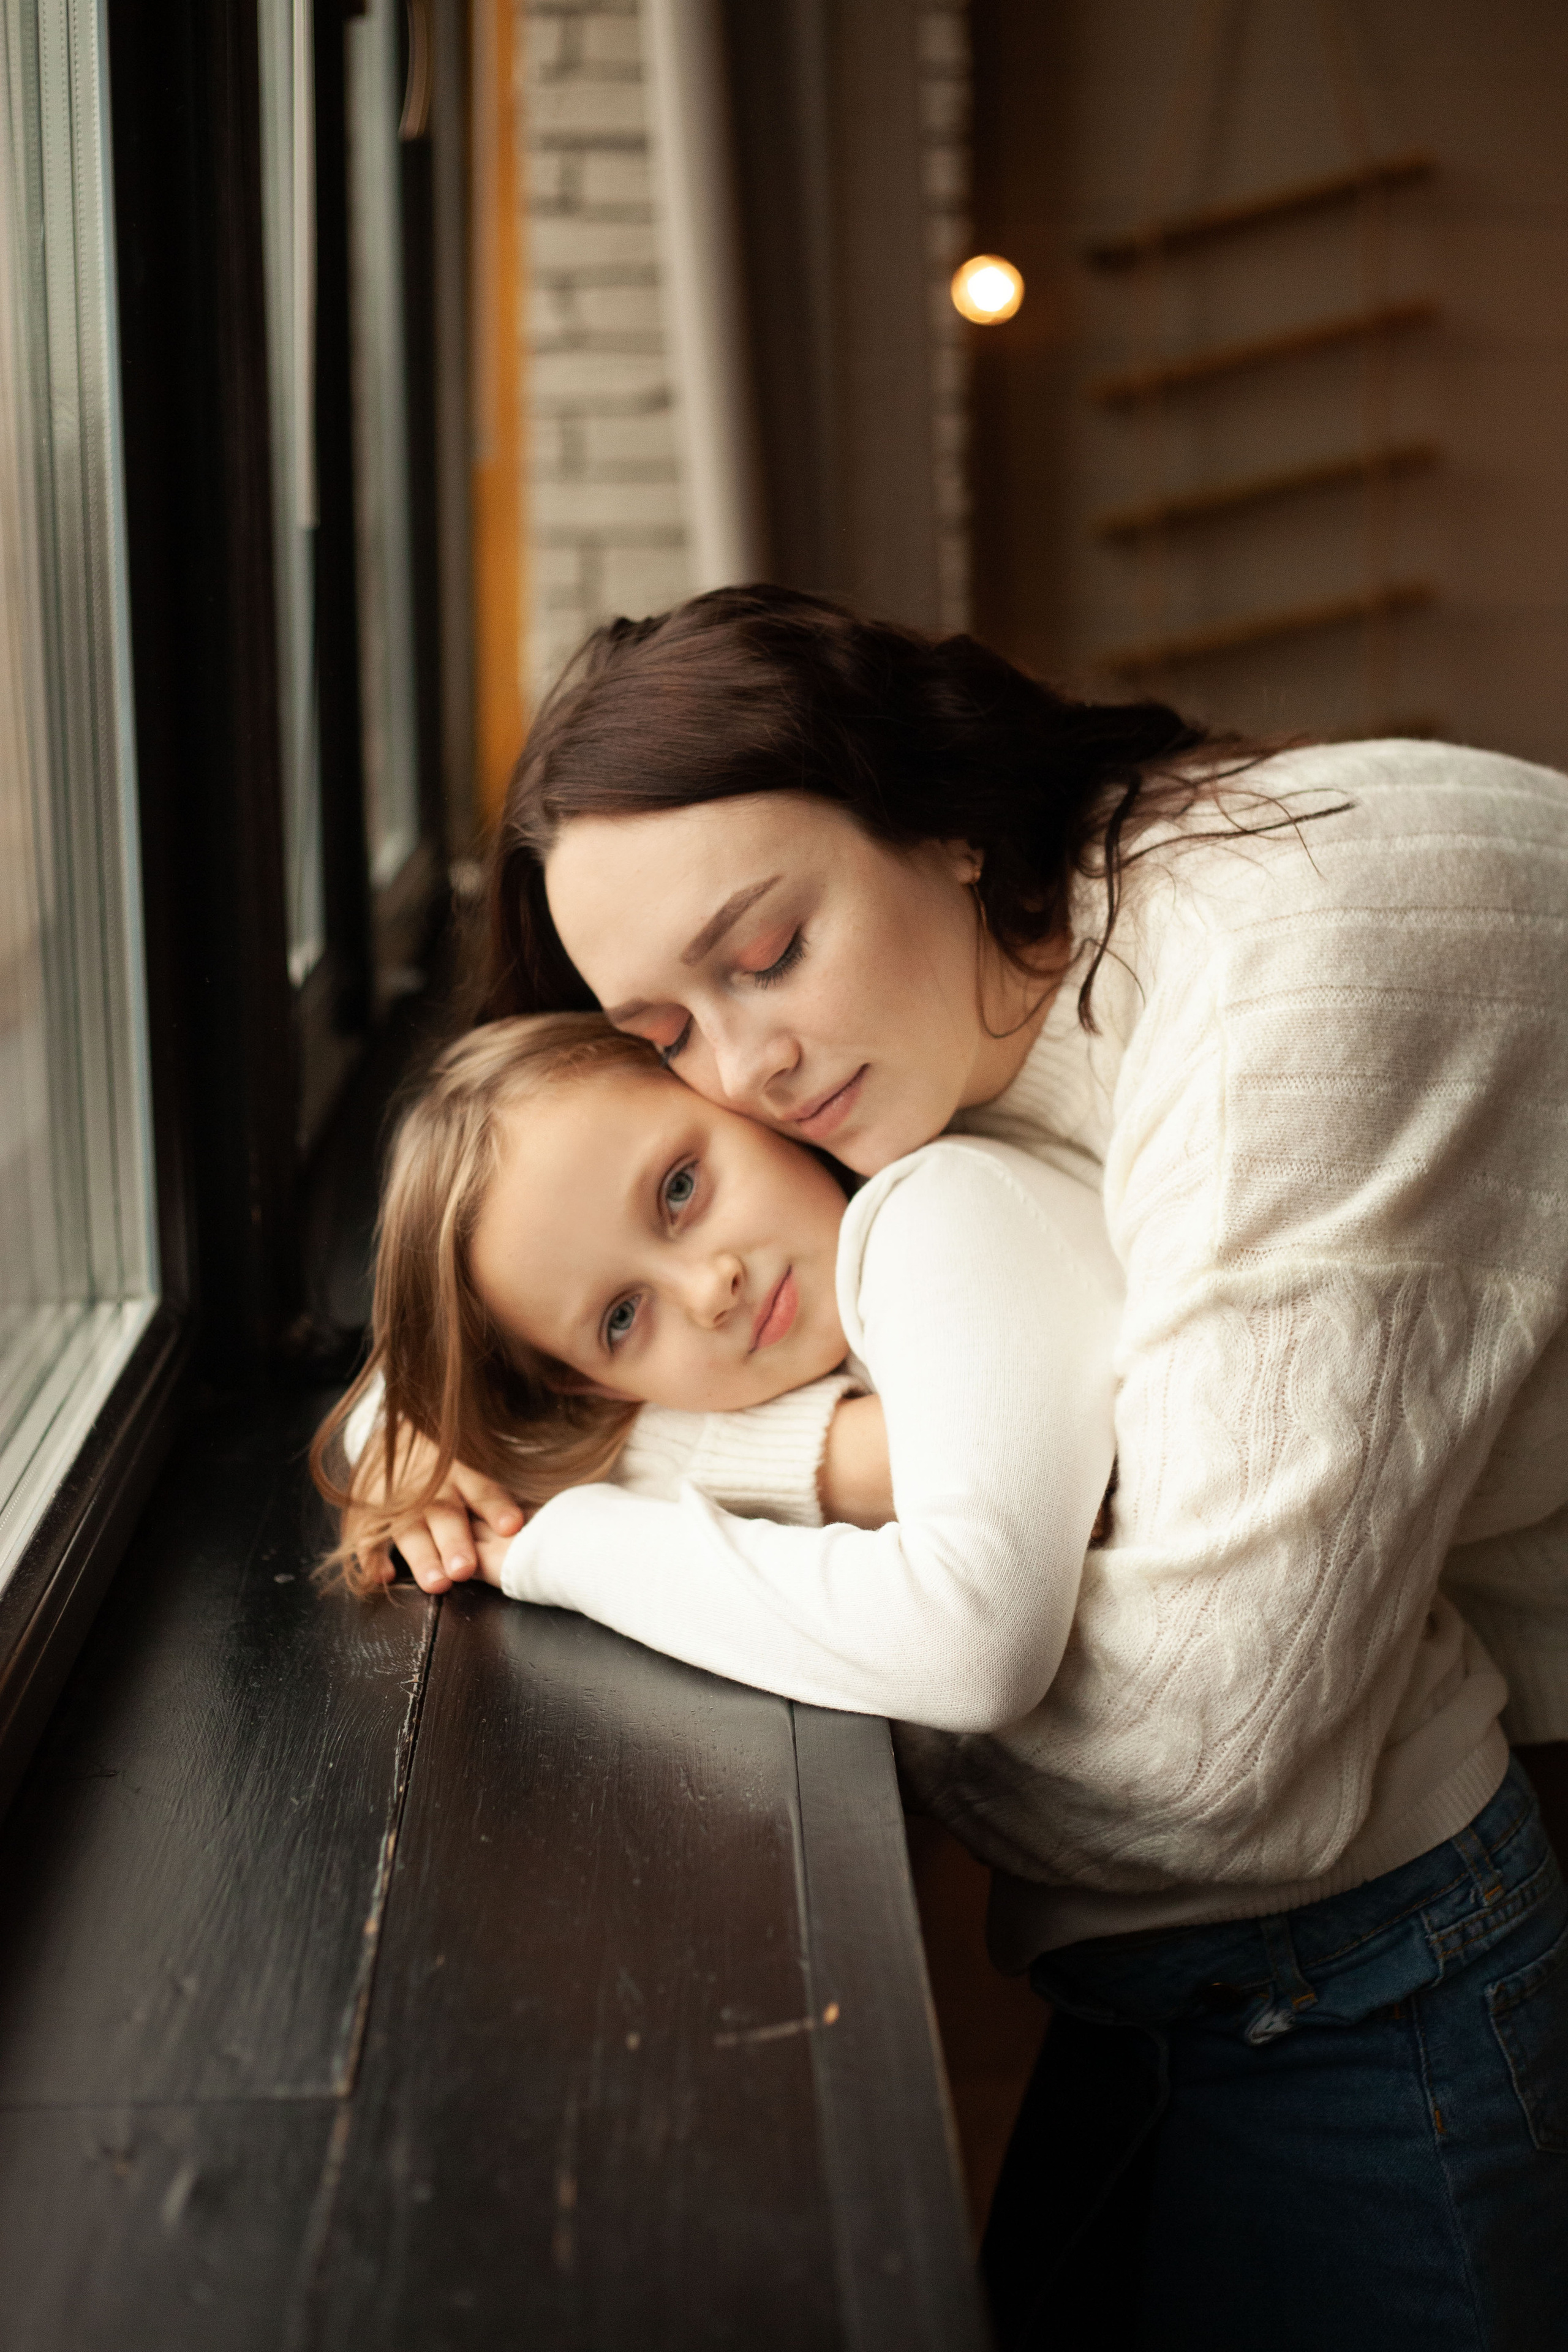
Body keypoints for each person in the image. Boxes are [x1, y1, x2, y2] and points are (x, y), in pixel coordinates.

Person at [349, 586, 1568, 2351]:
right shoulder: (920, 1045)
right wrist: (433, 1410)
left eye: (763, 952)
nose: (748, 1067)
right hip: (1256, 1957)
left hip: (1377, 1949)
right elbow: (532, 1216)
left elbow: (1206, 1751)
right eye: (667, 1037)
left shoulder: (1274, 1010)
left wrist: (657, 1477)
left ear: (934, 807)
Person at [315, 1010, 1121, 1725]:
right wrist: (394, 1428)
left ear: (718, 1092)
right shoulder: (830, 1309)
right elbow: (410, 1378)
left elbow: (974, 1650)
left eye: (679, 1189)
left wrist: (552, 1543)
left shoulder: (946, 1217)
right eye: (622, 1318)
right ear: (593, 1386)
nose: (710, 1289)